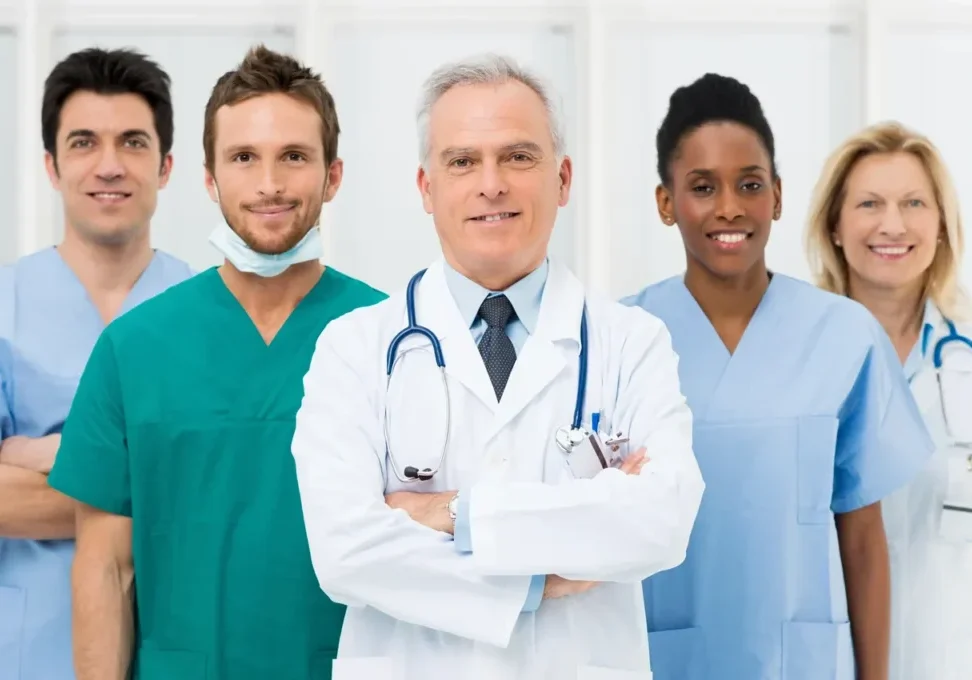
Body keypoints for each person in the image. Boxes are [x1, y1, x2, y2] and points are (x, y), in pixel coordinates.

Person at [290, 53, 705, 680]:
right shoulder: (355, 347)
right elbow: (345, 551)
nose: (492, 184)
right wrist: (537, 581)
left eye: (518, 157)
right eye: (462, 161)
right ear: (427, 189)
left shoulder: (631, 343)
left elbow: (661, 521)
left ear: (562, 179)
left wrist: (453, 514)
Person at [46, 45, 384, 679]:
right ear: (209, 178)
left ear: (333, 176)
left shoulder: (389, 339)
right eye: (243, 158)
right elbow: (105, 567)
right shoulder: (134, 347)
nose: (269, 184)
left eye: (294, 157)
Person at [622, 74, 934, 680]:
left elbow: (863, 540)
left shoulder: (845, 335)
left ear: (779, 196)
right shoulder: (623, 336)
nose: (730, 207)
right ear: (666, 203)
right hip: (661, 659)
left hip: (806, 663)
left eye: (750, 184)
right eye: (702, 187)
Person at [0, 47, 193, 680]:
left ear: (165, 167)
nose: (109, 165)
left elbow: (237, 486)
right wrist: (153, 473)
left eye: (133, 143)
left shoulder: (211, 308)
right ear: (53, 167)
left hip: (180, 642)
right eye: (84, 143)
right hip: (32, 648)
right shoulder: (7, 304)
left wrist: (45, 454)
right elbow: (195, 489)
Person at [805, 120, 972, 680]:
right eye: (869, 203)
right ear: (834, 225)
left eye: (914, 203)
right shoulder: (790, 357)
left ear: (943, 225)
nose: (892, 225)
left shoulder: (965, 358)